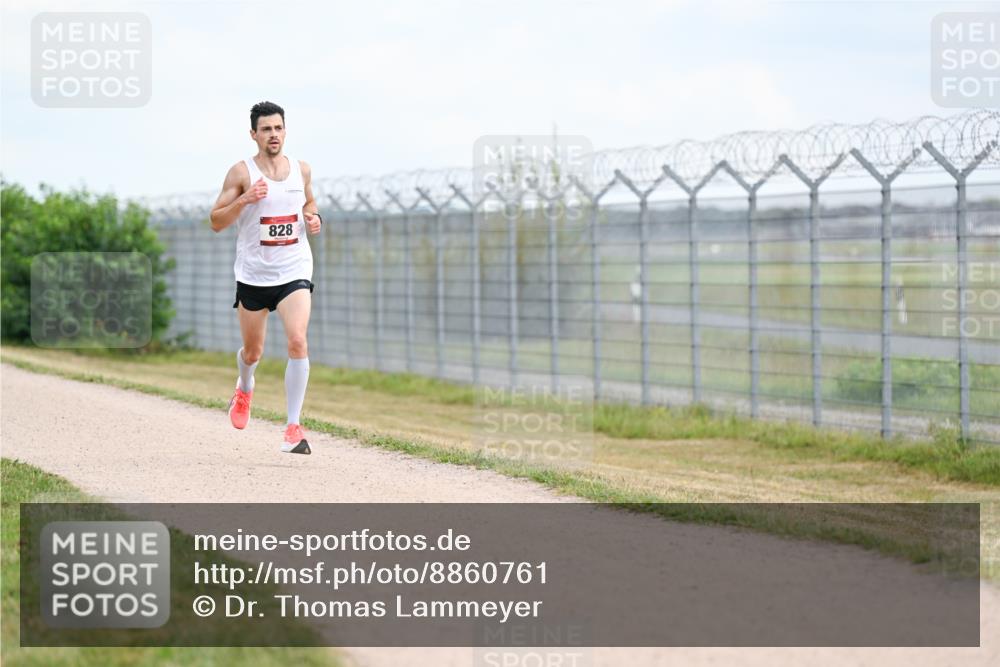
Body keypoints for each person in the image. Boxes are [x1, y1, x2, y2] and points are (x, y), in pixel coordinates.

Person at [208, 101, 322, 454]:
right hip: (254, 275)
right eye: (266, 129)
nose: (273, 135)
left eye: (278, 128)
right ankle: (244, 387)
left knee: (297, 341)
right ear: (254, 134)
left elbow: (309, 204)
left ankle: (292, 428)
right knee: (253, 351)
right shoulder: (240, 173)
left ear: (285, 131)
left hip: (294, 269)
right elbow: (216, 221)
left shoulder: (300, 170)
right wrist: (244, 200)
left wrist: (314, 218)